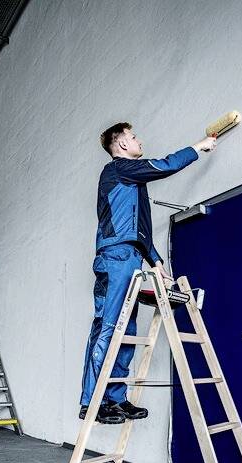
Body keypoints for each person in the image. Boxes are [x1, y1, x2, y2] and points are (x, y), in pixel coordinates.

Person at [79, 123, 217, 423]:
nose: (139, 140)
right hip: (115, 257)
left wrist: (155, 262)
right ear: (122, 145)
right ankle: (93, 402)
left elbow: (138, 231)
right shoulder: (118, 170)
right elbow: (163, 165)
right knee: (107, 327)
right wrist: (198, 146)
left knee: (126, 331)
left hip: (130, 256)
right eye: (133, 137)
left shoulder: (131, 183)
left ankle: (115, 398)